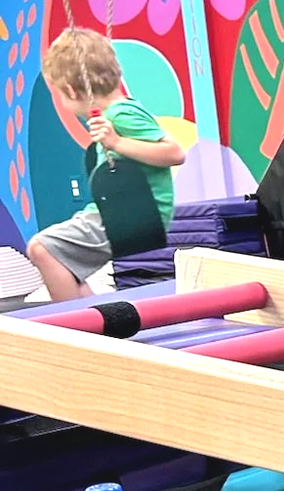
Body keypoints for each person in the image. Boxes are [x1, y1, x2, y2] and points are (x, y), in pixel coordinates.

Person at [27, 27, 184, 302]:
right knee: (61, 261)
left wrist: (116, 143)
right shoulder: (118, 113)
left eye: (59, 96)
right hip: (116, 212)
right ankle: (95, 321)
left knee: (42, 248)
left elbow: (174, 153)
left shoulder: (120, 114)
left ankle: (77, 329)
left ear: (71, 90)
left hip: (134, 215)